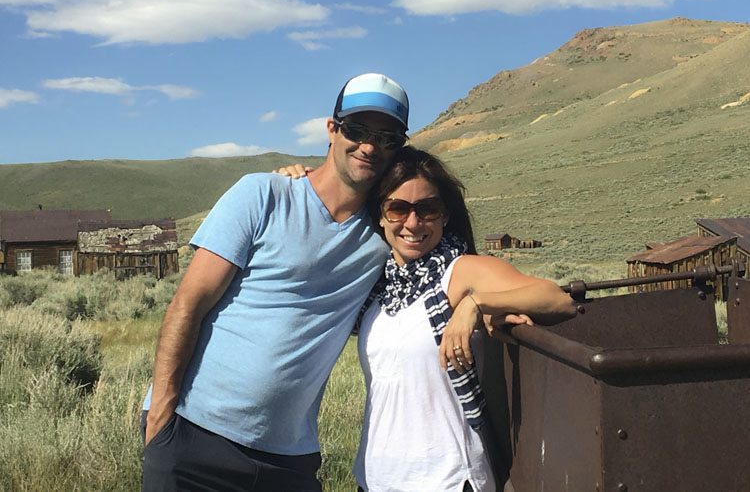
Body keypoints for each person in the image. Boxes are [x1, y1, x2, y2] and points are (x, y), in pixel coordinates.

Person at [140, 72, 411, 492]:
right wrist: (161, 417)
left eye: (387, 138)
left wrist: (475, 305)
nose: (370, 146)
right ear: (332, 129)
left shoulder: (388, 231)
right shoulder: (263, 194)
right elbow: (188, 304)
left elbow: (447, 266)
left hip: (289, 458)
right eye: (357, 130)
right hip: (194, 434)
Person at [352, 146, 577, 492]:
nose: (413, 223)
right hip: (375, 479)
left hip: (449, 479)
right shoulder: (377, 288)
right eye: (398, 209)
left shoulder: (461, 272)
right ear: (380, 216)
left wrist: (475, 304)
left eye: (427, 209)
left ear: (445, 215)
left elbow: (557, 299)